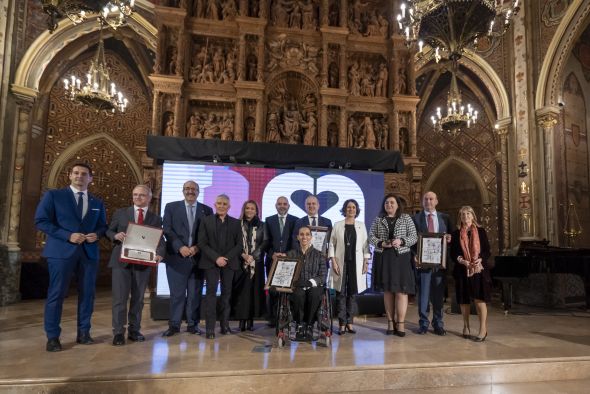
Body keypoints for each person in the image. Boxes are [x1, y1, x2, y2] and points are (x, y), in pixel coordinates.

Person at [34, 163, 107, 352]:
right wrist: (68, 235)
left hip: (88, 253)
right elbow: (41, 221)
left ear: (90, 178)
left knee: (88, 294)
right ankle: (52, 337)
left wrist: (96, 235)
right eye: (76, 173)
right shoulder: (54, 196)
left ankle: (84, 333)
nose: (79, 176)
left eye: (84, 174)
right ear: (70, 176)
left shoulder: (97, 203)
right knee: (56, 294)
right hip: (60, 252)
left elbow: (103, 227)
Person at [107, 184, 165, 346]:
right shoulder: (120, 213)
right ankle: (118, 332)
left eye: (141, 195)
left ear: (149, 198)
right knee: (120, 299)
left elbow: (160, 240)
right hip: (121, 263)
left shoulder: (156, 218)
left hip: (143, 263)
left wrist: (160, 253)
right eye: (135, 195)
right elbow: (108, 231)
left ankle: (134, 330)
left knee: (138, 300)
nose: (137, 198)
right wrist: (115, 235)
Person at [162, 181, 213, 337]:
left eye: (194, 189)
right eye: (188, 189)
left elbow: (209, 234)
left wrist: (197, 247)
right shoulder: (171, 207)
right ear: (183, 191)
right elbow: (167, 230)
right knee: (177, 295)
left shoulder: (207, 210)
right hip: (176, 258)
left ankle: (193, 324)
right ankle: (174, 325)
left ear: (198, 192)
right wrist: (180, 247)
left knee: (194, 294)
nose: (191, 191)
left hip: (197, 259)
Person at [369, 193, 417, 337]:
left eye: (392, 203)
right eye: (386, 203)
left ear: (397, 205)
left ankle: (400, 322)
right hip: (384, 256)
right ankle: (390, 322)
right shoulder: (379, 219)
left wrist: (401, 241)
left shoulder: (406, 218)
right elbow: (371, 236)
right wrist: (381, 243)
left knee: (401, 291)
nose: (389, 205)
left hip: (401, 257)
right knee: (388, 291)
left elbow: (413, 237)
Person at [197, 194, 243, 339]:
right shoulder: (206, 221)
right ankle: (210, 329)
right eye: (219, 203)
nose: (222, 206)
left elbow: (239, 245)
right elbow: (202, 243)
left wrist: (226, 258)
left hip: (229, 264)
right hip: (211, 263)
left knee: (226, 295)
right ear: (215, 205)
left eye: (225, 204)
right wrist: (216, 258)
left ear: (229, 207)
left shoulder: (236, 223)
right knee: (210, 295)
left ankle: (225, 326)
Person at [328, 199, 370, 335]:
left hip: (356, 263)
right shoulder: (338, 225)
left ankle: (350, 323)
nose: (351, 209)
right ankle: (341, 324)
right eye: (348, 207)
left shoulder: (361, 225)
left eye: (353, 207)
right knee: (341, 293)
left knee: (352, 293)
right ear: (344, 209)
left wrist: (365, 262)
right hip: (341, 262)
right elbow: (332, 244)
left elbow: (365, 245)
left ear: (356, 210)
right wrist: (333, 261)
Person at [413, 191, 452, 336]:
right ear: (423, 202)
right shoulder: (415, 219)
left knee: (438, 295)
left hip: (439, 264)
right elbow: (412, 241)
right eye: (426, 199)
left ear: (436, 201)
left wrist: (449, 239)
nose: (428, 201)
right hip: (423, 264)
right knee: (423, 295)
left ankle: (438, 323)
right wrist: (414, 255)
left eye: (431, 199)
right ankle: (423, 323)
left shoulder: (445, 218)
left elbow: (452, 236)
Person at [450, 206, 492, 342]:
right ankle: (466, 326)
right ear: (460, 218)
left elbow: (486, 251)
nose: (465, 216)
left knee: (480, 300)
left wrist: (480, 259)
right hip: (462, 270)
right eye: (462, 214)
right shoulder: (456, 234)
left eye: (468, 214)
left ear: (473, 216)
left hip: (478, 269)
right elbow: (453, 254)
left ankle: (482, 329)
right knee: (464, 300)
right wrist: (462, 261)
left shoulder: (481, 231)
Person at [285, 225, 328, 340]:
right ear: (298, 237)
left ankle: (309, 324)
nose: (304, 237)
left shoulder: (319, 255)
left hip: (313, 285)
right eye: (302, 234)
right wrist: (295, 282)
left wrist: (310, 282)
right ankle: (299, 324)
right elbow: (287, 274)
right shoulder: (291, 254)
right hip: (297, 285)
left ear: (311, 237)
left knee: (314, 294)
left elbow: (323, 276)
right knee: (298, 295)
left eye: (307, 234)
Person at [232, 200, 266, 331]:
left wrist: (253, 256)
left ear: (256, 211)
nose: (250, 210)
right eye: (247, 208)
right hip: (240, 263)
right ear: (244, 210)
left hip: (256, 263)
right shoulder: (237, 224)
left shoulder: (262, 225)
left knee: (253, 293)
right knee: (242, 293)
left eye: (252, 208)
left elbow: (265, 242)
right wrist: (243, 255)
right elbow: (233, 241)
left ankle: (250, 320)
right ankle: (241, 320)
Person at [263, 196, 298, 325]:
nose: (282, 206)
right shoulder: (269, 220)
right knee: (273, 290)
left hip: (289, 261)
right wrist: (272, 254)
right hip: (273, 261)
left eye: (284, 204)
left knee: (287, 290)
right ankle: (273, 318)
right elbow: (265, 242)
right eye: (279, 204)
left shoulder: (295, 220)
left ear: (288, 206)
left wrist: (287, 254)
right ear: (275, 206)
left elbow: (296, 241)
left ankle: (287, 317)